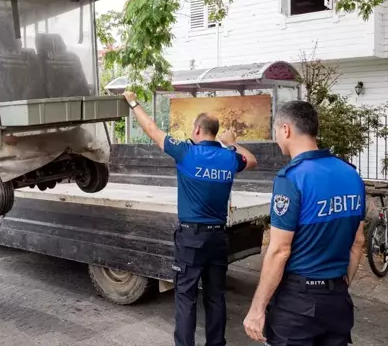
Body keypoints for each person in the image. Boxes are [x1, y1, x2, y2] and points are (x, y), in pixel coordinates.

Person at [122, 91, 258, 346]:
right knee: (215, 296)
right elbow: (252, 160)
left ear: (196, 129)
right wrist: (231, 143)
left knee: (185, 296)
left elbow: (152, 129)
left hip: (191, 238)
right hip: (218, 237)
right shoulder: (229, 158)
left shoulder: (186, 152)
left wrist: (133, 102)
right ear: (214, 132)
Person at [243, 100, 366, 345]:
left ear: (286, 130)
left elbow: (279, 250)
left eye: (276, 131)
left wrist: (257, 309)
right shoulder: (351, 174)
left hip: (297, 306)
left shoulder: (292, 178)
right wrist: (340, 287)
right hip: (337, 304)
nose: (277, 137)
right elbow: (358, 242)